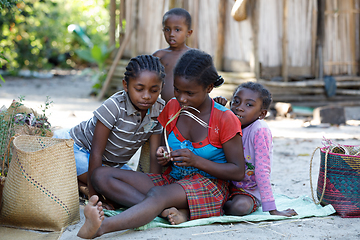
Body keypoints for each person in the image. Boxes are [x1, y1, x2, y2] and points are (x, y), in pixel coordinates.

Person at [77, 49, 245, 239]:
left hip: (209, 185)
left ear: (208, 88)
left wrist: (196, 161)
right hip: (173, 180)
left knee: (158, 195)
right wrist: (165, 155)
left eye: (190, 93)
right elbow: (161, 152)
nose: (182, 98)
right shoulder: (172, 107)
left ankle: (102, 227)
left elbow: (238, 171)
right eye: (177, 90)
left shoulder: (225, 119)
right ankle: (162, 209)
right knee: (101, 175)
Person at [53, 55, 166, 203]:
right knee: (110, 185)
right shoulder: (113, 107)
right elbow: (96, 153)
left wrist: (154, 189)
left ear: (161, 87)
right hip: (76, 150)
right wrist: (97, 198)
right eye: (139, 89)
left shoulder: (159, 109)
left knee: (127, 187)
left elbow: (153, 155)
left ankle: (82, 185)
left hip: (111, 166)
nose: (146, 96)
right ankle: (87, 189)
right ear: (125, 85)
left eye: (154, 90)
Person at [214, 82, 298, 217]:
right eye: (236, 101)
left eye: (249, 105)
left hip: (248, 190)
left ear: (262, 113)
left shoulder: (259, 130)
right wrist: (216, 108)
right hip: (223, 184)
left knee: (240, 207)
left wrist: (272, 209)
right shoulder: (226, 122)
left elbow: (262, 170)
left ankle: (216, 207)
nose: (239, 108)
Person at [153, 8, 193, 103]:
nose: (171, 34)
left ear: (188, 33)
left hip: (188, 108)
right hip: (164, 108)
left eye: (177, 30)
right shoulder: (159, 56)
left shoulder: (194, 56)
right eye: (167, 29)